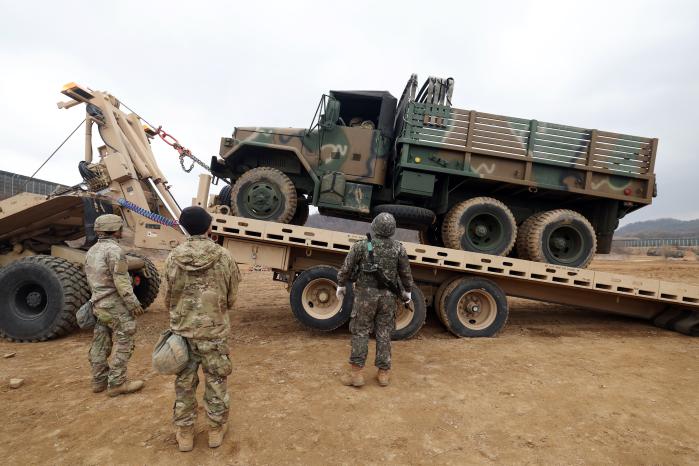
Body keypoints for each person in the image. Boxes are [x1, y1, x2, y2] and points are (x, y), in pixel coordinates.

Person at [164, 206, 241, 452]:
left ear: (184, 228)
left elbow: (168, 298)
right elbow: (231, 298)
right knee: (216, 380)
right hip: (214, 333)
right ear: (209, 228)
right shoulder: (224, 256)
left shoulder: (172, 257)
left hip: (183, 334)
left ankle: (185, 433)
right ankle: (215, 430)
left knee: (184, 383)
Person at [336, 212, 414, 388]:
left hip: (365, 297)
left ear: (375, 226)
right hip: (388, 297)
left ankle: (356, 374)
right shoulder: (398, 248)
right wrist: (408, 291)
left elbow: (346, 268)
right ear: (393, 229)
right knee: (384, 333)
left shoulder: (361, 246)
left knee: (361, 331)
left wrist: (341, 284)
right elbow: (405, 273)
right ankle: (383, 374)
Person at [85, 213, 145, 397]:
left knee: (100, 341)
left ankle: (99, 380)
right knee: (125, 338)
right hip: (114, 304)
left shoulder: (92, 251)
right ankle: (117, 383)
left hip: (98, 303)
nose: (122, 230)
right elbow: (121, 281)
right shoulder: (114, 251)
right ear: (114, 230)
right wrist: (132, 302)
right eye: (120, 227)